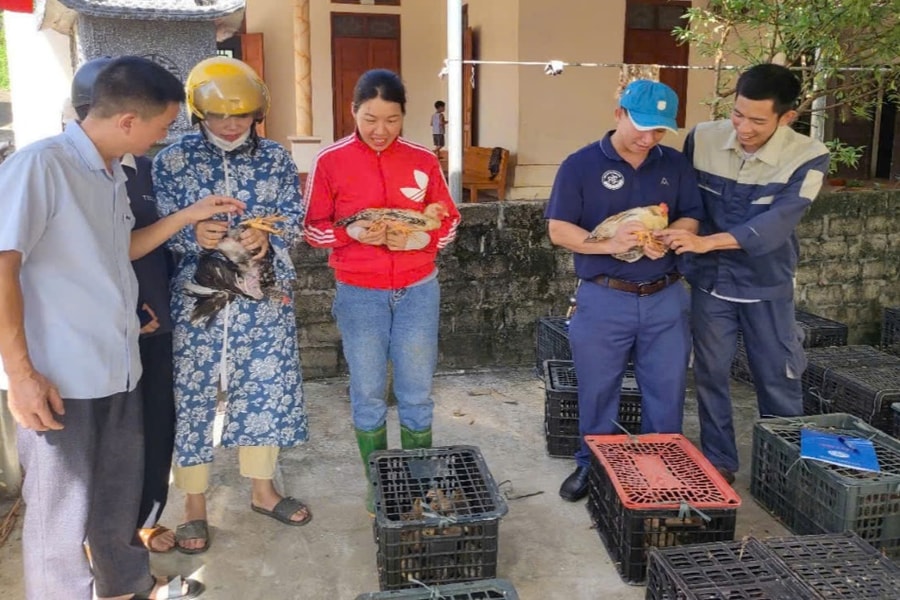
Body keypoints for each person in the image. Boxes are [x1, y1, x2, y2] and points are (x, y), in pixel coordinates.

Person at [0, 56, 209, 600]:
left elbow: (118, 253)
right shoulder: (41, 166)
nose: (162, 138)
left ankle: (125, 589)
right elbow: (3, 263)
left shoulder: (112, 172)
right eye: (162, 127)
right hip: (59, 378)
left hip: (118, 364)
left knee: (117, 502)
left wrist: (187, 219)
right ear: (126, 122)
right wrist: (20, 373)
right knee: (59, 521)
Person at [69, 56, 242, 555]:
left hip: (155, 319)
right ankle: (105, 537)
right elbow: (90, 255)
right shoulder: (64, 170)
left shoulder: (143, 168)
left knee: (155, 428)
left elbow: (156, 245)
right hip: (103, 327)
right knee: (105, 442)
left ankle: (142, 518)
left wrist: (197, 230)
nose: (163, 135)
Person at [153, 56, 310, 554]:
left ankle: (263, 490)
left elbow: (295, 219)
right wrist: (191, 231)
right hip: (198, 302)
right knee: (192, 395)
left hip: (261, 302)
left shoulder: (277, 159)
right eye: (221, 115)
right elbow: (157, 225)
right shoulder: (173, 160)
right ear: (199, 112)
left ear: (256, 112)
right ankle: (194, 504)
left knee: (263, 388)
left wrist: (271, 239)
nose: (230, 124)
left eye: (241, 115)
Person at [658, 63, 830, 484]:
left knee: (778, 377)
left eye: (757, 120)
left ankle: (785, 467)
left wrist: (706, 242)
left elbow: (776, 225)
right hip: (710, 283)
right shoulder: (703, 138)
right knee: (711, 375)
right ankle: (720, 461)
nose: (744, 128)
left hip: (766, 285)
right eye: (738, 114)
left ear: (786, 117)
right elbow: (682, 200)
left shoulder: (809, 157)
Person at [304, 69, 461, 513]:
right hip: (359, 294)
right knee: (369, 391)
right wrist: (351, 233)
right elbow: (312, 229)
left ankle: (419, 485)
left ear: (404, 117)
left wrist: (421, 240)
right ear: (353, 111)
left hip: (418, 290)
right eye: (370, 118)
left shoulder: (422, 160)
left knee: (415, 392)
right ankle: (379, 485)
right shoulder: (330, 161)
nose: (380, 131)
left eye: (392, 120)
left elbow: (448, 219)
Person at [544, 80, 704, 502]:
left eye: (659, 131)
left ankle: (657, 471)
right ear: (619, 114)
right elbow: (559, 230)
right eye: (642, 127)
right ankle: (591, 465)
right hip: (603, 295)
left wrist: (670, 234)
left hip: (665, 295)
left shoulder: (673, 165)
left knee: (666, 389)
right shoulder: (579, 165)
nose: (649, 139)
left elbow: (692, 217)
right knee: (598, 389)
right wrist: (609, 244)